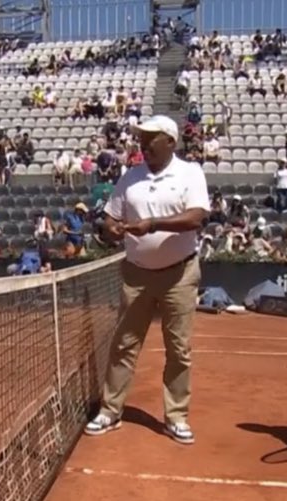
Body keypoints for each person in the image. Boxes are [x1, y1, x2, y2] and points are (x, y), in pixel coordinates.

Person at [83, 115, 210, 445]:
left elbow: (197, 216)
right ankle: (110, 411)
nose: (144, 143)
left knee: (178, 349)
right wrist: (109, 228)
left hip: (179, 274)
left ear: (170, 141)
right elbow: (111, 216)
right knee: (124, 344)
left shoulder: (190, 172)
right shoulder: (130, 177)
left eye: (151, 137)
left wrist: (152, 225)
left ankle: (176, 416)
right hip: (136, 274)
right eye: (141, 137)